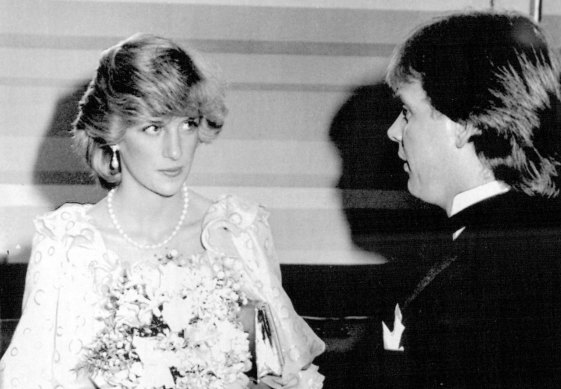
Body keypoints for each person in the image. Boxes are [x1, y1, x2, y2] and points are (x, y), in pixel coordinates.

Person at [0, 33, 324, 388]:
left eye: (187, 124)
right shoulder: (68, 245)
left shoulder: (235, 232)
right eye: (153, 128)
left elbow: (287, 373)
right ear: (113, 134)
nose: (175, 151)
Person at [381, 11, 561, 388]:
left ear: (465, 125)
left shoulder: (493, 279)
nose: (394, 131)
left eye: (407, 111)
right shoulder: (528, 244)